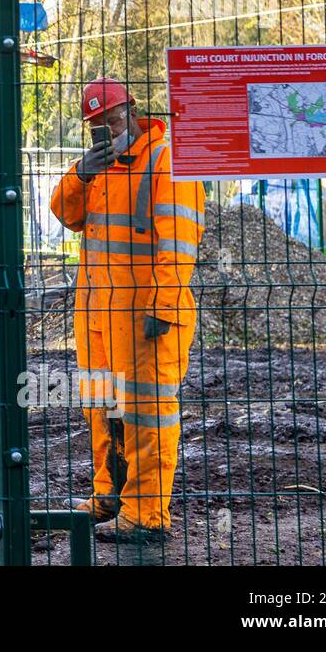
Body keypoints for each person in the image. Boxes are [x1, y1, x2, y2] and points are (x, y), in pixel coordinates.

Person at [49, 76, 206, 544]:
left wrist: (163, 303)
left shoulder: (165, 158)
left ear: (132, 111)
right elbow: (66, 214)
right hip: (99, 311)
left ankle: (147, 513)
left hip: (143, 313)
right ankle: (110, 496)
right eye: (96, 124)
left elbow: (178, 245)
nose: (106, 129)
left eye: (112, 119)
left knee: (146, 410)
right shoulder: (100, 168)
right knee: (101, 406)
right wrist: (81, 172)